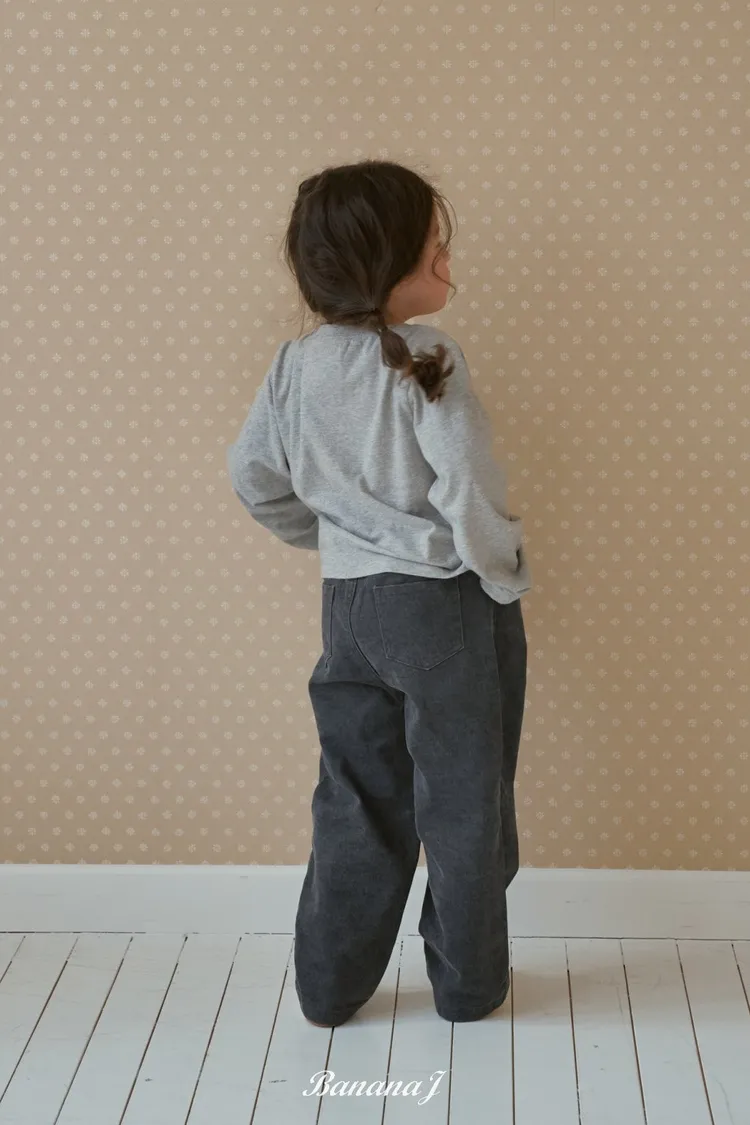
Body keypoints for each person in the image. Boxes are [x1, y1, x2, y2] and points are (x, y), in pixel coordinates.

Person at [226, 159, 532, 1027]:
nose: (450, 267)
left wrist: (330, 538)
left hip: (349, 609)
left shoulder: (294, 366)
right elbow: (468, 485)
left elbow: (252, 476)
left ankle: (329, 987)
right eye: (437, 251)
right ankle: (468, 986)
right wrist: (501, 569)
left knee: (354, 797)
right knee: (465, 804)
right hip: (443, 608)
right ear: (386, 266)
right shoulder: (429, 355)